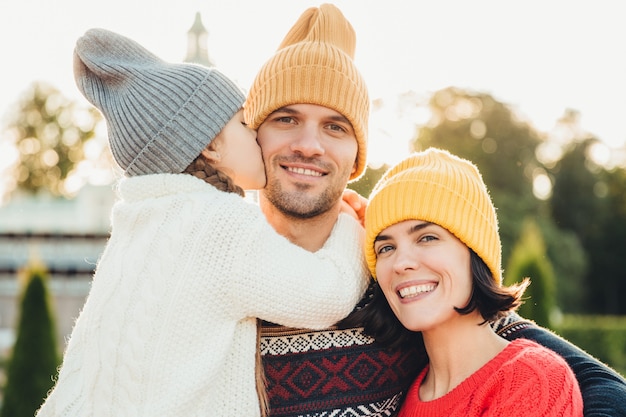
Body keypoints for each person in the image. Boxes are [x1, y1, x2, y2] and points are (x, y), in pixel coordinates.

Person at [244, 3, 626, 417]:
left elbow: (596, 388)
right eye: (285, 119)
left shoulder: (390, 282)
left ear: (357, 156)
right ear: (252, 137)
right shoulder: (204, 271)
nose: (309, 145)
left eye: (336, 126)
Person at [35, 28, 369, 417]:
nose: (257, 138)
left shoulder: (138, 223)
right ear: (212, 146)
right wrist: (350, 223)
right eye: (246, 125)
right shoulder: (219, 224)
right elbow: (327, 296)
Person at [362, 148, 583, 415]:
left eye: (427, 238)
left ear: (476, 253)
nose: (400, 263)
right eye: (386, 248)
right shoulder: (392, 396)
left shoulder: (531, 379)